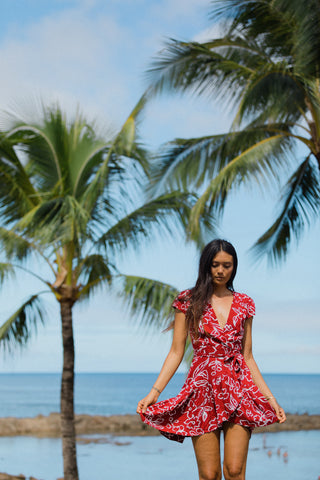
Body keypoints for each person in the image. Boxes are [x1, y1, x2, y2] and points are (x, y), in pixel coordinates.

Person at [136, 239, 286, 480]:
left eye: (227, 265)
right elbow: (176, 352)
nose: (220, 270)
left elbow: (247, 356)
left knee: (235, 470)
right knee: (209, 474)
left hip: (240, 389)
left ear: (234, 267)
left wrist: (270, 399)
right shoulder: (188, 300)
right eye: (215, 264)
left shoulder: (245, 303)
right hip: (202, 390)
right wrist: (154, 392)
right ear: (206, 265)